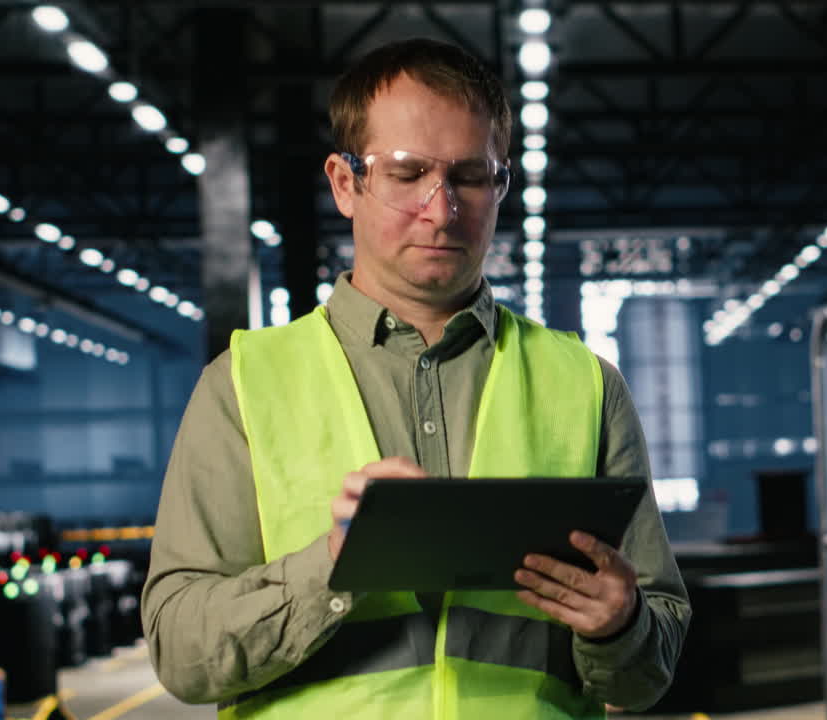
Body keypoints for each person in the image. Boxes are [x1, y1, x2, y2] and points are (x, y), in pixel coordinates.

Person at [141, 38, 690, 718]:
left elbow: (648, 671)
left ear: (501, 186)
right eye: (406, 174)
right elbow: (181, 651)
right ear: (347, 183)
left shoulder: (585, 385)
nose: (441, 210)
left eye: (469, 176)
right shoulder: (243, 387)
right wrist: (335, 563)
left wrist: (622, 623)